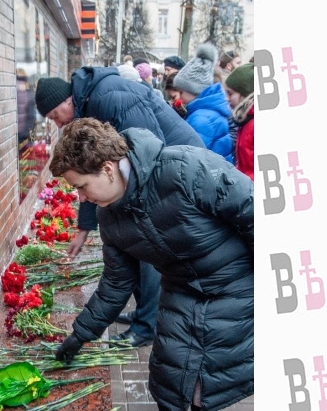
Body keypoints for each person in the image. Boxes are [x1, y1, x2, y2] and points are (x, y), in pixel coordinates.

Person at [51, 118, 253, 411]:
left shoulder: (183, 167)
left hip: (231, 280)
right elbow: (116, 283)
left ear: (107, 169)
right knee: (169, 359)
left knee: (213, 363)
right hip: (180, 284)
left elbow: (250, 208)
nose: (81, 197)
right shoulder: (110, 217)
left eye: (82, 186)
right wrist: (80, 335)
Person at [34, 67, 206, 347]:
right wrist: (84, 227)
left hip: (176, 169)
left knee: (147, 246)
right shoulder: (89, 103)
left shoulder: (109, 96)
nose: (57, 123)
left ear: (67, 100)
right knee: (129, 244)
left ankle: (147, 325)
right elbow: (89, 174)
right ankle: (143, 313)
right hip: (149, 172)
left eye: (55, 115)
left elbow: (149, 146)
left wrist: (137, 202)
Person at [173, 43, 234, 163]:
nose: (179, 97)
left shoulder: (200, 118)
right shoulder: (209, 112)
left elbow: (190, 160)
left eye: (181, 92)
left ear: (194, 89)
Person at [224, 63, 254, 180]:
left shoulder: (253, 123)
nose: (226, 98)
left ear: (245, 94)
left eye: (230, 93)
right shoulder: (244, 119)